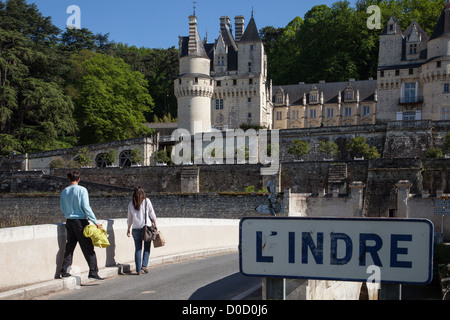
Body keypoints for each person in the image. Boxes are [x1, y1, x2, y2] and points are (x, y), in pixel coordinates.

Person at [59, 170, 104, 281]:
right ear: (79, 179)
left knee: (70, 247)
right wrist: (95, 222)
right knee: (88, 247)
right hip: (81, 222)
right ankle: (93, 272)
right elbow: (86, 207)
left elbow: (62, 208)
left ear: (69, 179)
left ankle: (64, 270)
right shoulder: (82, 190)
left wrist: (68, 214)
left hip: (69, 220)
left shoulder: (64, 191)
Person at [127, 186, 157, 275]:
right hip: (146, 228)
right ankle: (144, 264)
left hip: (135, 229)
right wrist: (155, 225)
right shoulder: (147, 201)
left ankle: (138, 270)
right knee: (147, 247)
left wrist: (128, 229)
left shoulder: (131, 204)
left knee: (138, 249)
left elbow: (130, 219)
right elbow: (152, 214)